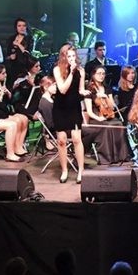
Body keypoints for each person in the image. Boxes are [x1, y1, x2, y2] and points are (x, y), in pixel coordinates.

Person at [51, 43, 89, 183]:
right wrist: (71, 73)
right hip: (60, 107)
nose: (72, 58)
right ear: (63, 57)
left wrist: (84, 92)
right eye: (69, 56)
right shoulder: (57, 70)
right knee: (61, 140)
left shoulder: (81, 71)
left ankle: (81, 170)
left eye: (73, 55)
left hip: (74, 107)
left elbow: (80, 89)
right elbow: (62, 89)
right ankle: (64, 170)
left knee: (76, 139)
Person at [82, 64, 131, 165]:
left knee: (118, 124)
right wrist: (98, 118)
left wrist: (106, 97)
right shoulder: (89, 89)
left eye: (103, 74)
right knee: (107, 126)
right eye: (99, 73)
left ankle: (120, 156)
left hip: (107, 115)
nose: (101, 76)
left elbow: (112, 106)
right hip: (95, 117)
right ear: (93, 75)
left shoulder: (107, 87)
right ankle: (107, 157)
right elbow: (89, 111)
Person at [5, 18, 36, 87]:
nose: (21, 28)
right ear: (16, 27)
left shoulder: (30, 39)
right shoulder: (11, 39)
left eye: (24, 25)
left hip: (24, 68)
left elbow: (28, 54)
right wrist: (10, 57)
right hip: (11, 68)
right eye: (19, 26)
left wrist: (18, 44)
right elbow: (6, 56)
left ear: (27, 27)